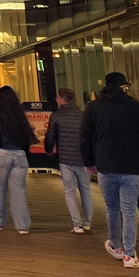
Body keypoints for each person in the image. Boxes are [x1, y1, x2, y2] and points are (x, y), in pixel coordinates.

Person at [82, 71, 139, 270]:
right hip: (132, 167)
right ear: (123, 87)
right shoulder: (136, 107)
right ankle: (130, 255)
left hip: (106, 166)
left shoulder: (93, 108)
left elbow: (85, 137)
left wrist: (89, 161)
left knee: (112, 209)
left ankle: (116, 246)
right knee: (128, 210)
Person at [0, 84, 35, 233]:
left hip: (0, 153)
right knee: (19, 191)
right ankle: (23, 226)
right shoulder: (19, 114)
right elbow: (27, 137)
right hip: (19, 154)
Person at [44, 87, 93, 233]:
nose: (56, 100)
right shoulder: (83, 115)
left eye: (57, 97)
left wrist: (48, 149)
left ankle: (77, 224)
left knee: (69, 191)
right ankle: (88, 222)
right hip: (83, 159)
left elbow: (50, 136)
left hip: (65, 159)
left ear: (63, 99)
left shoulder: (56, 116)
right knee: (85, 189)